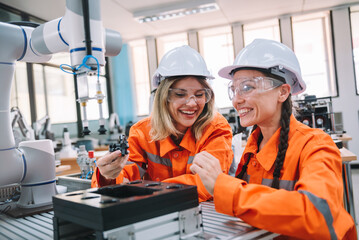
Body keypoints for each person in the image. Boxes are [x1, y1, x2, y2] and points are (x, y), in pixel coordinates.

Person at [190, 39, 357, 239]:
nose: (236, 100)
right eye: (234, 90)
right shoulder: (253, 149)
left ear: (283, 92)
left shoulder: (315, 145)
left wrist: (223, 187)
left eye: (247, 87)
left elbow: (316, 215)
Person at [91, 45, 233, 202]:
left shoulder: (216, 128)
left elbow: (208, 183)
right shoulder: (142, 132)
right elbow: (123, 178)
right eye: (180, 94)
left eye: (199, 95)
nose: (192, 103)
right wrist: (108, 176)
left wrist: (148, 191)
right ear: (163, 97)